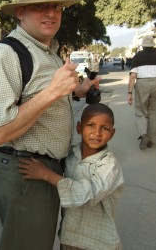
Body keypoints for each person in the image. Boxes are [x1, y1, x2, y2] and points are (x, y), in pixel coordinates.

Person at [0, 0, 100, 250]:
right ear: (20, 12)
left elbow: (41, 95)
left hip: (45, 170)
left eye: (56, 6)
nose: (51, 13)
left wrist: (77, 91)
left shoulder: (49, 52)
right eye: (41, 6)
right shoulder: (3, 54)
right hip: (24, 172)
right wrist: (53, 91)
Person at [19, 103, 124, 250]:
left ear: (112, 133)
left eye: (104, 128)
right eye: (91, 125)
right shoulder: (70, 156)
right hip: (70, 238)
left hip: (98, 241)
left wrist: (46, 174)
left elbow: (87, 193)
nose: (97, 132)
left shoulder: (110, 166)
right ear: (79, 128)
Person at [127, 35, 156, 150]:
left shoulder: (137, 57)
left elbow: (133, 76)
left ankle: (143, 135)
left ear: (143, 45)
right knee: (153, 112)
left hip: (142, 84)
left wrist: (129, 93)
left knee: (140, 112)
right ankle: (152, 138)